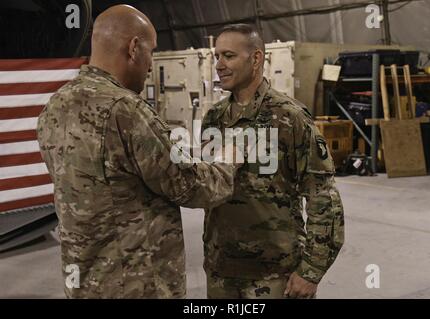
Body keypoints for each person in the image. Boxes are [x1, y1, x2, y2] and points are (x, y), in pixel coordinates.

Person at [37, 5, 238, 298]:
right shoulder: (125, 110)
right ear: (133, 48)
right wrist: (226, 163)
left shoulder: (55, 106)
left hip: (85, 278)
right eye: (151, 51)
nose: (149, 64)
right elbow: (187, 185)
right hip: (135, 282)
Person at [202, 24, 345, 299]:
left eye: (228, 56)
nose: (219, 64)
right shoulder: (214, 118)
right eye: (216, 56)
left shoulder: (290, 117)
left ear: (255, 59)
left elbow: (322, 197)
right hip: (221, 270)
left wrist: (312, 270)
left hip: (276, 275)